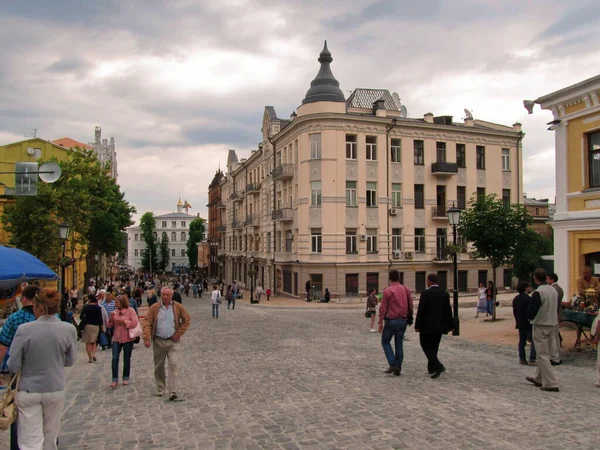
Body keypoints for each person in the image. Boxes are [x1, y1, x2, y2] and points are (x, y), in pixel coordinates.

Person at [8, 288, 77, 449]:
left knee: (30, 439)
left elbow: (13, 365)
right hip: (54, 387)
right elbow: (70, 360)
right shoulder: (68, 329)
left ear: (38, 307)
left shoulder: (24, 330)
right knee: (50, 436)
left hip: (28, 389)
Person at [142, 287, 191, 401]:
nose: (165, 297)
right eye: (163, 294)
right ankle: (161, 387)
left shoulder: (178, 307)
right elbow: (147, 322)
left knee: (174, 364)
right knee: (159, 365)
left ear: (171, 296)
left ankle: (172, 391)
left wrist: (178, 333)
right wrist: (146, 338)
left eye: (167, 295)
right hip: (159, 340)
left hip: (173, 341)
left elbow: (187, 320)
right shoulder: (155, 308)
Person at [526, 268, 560, 392]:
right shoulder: (553, 290)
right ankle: (539, 377)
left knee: (542, 354)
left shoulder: (538, 292)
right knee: (546, 352)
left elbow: (532, 311)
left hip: (541, 324)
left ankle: (551, 383)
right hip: (552, 323)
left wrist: (529, 318)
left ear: (535, 278)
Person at [415, 273, 454, 378]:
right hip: (439, 326)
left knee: (425, 345)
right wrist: (451, 325)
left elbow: (421, 311)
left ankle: (438, 365)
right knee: (434, 346)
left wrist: (417, 325)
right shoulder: (444, 294)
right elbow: (448, 311)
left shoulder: (425, 294)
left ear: (429, 281)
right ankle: (431, 367)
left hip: (426, 326)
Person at [378, 270, 413, 376]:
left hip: (391, 320)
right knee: (399, 344)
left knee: (385, 341)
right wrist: (410, 317)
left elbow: (383, 308)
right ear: (399, 277)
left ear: (390, 278)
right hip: (403, 320)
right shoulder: (406, 289)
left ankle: (392, 363)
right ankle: (398, 367)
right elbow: (410, 305)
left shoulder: (388, 291)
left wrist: (380, 322)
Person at [108, 295, 139, 389]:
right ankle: (114, 379)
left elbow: (135, 323)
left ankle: (125, 377)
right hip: (116, 338)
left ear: (122, 303)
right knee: (114, 358)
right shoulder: (115, 312)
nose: (115, 304)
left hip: (128, 338)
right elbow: (109, 325)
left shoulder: (131, 311)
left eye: (117, 302)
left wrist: (124, 321)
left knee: (126, 359)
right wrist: (111, 318)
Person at [512, 281, 536, 365]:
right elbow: (531, 311)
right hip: (528, 323)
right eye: (529, 286)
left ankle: (522, 358)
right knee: (534, 341)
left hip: (519, 323)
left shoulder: (515, 299)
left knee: (522, 342)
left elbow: (514, 312)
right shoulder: (529, 299)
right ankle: (532, 359)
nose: (530, 288)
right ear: (525, 288)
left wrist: (517, 321)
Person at [79, 294, 105, 363]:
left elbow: (81, 317)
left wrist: (85, 318)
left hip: (88, 325)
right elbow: (100, 318)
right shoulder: (98, 308)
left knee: (88, 342)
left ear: (90, 299)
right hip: (96, 326)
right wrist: (102, 327)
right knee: (94, 341)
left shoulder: (86, 307)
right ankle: (93, 354)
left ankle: (90, 358)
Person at [547, 272, 564, 366]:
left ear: (552, 279)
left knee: (553, 337)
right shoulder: (559, 288)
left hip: (553, 315)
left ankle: (555, 357)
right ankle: (555, 356)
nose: (546, 281)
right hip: (556, 314)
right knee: (555, 336)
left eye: (548, 279)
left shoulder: (553, 289)